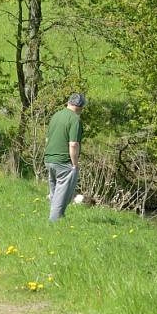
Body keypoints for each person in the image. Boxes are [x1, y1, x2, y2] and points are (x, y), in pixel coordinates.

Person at [45, 93, 86, 222]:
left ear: (68, 103)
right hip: (64, 162)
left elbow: (47, 139)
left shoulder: (56, 116)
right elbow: (73, 144)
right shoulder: (75, 119)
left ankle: (57, 220)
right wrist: (75, 164)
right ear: (81, 107)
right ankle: (54, 223)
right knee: (62, 196)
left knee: (54, 194)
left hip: (49, 159)